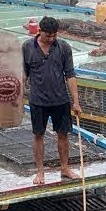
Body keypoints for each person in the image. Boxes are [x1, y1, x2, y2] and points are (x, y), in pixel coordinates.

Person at [23, 15, 83, 185]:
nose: (51, 39)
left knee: (63, 135)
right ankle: (40, 171)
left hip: (60, 100)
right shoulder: (27, 47)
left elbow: (70, 75)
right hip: (38, 100)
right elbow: (23, 74)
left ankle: (65, 168)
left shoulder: (64, 47)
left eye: (54, 35)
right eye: (47, 35)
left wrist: (76, 102)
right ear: (39, 31)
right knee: (38, 135)